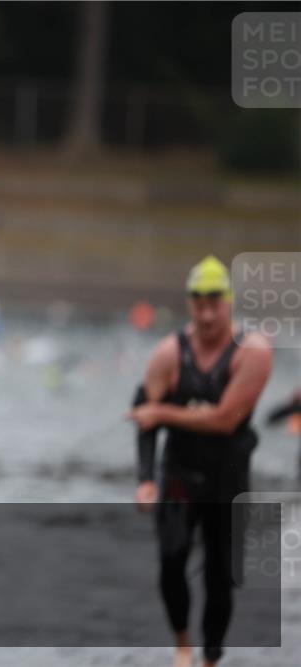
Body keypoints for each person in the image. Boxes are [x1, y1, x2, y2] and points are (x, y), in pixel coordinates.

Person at [128, 255, 273, 667]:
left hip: (228, 479)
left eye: (216, 302)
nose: (207, 314)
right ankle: (183, 645)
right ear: (189, 305)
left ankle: (211, 657)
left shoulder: (254, 351)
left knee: (220, 579)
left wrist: (163, 413)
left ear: (230, 302)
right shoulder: (168, 353)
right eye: (199, 303)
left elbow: (226, 420)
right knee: (171, 560)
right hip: (178, 474)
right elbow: (143, 412)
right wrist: (144, 479)